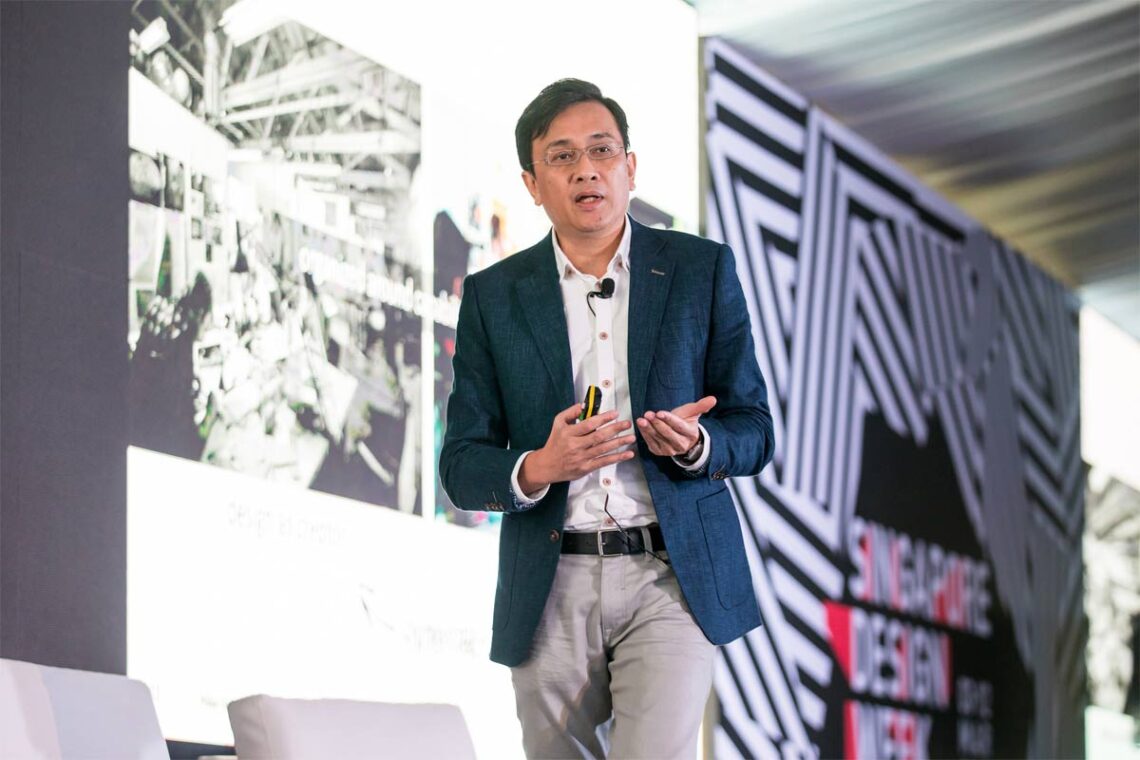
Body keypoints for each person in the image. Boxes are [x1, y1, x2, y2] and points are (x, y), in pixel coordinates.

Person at [439, 79, 775, 759]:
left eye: (602, 151)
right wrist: (539, 466)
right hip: (549, 580)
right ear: (532, 184)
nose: (586, 170)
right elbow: (462, 464)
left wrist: (698, 445)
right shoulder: (493, 296)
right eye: (562, 157)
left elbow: (754, 428)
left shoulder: (700, 270)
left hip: (669, 573)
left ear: (630, 167)